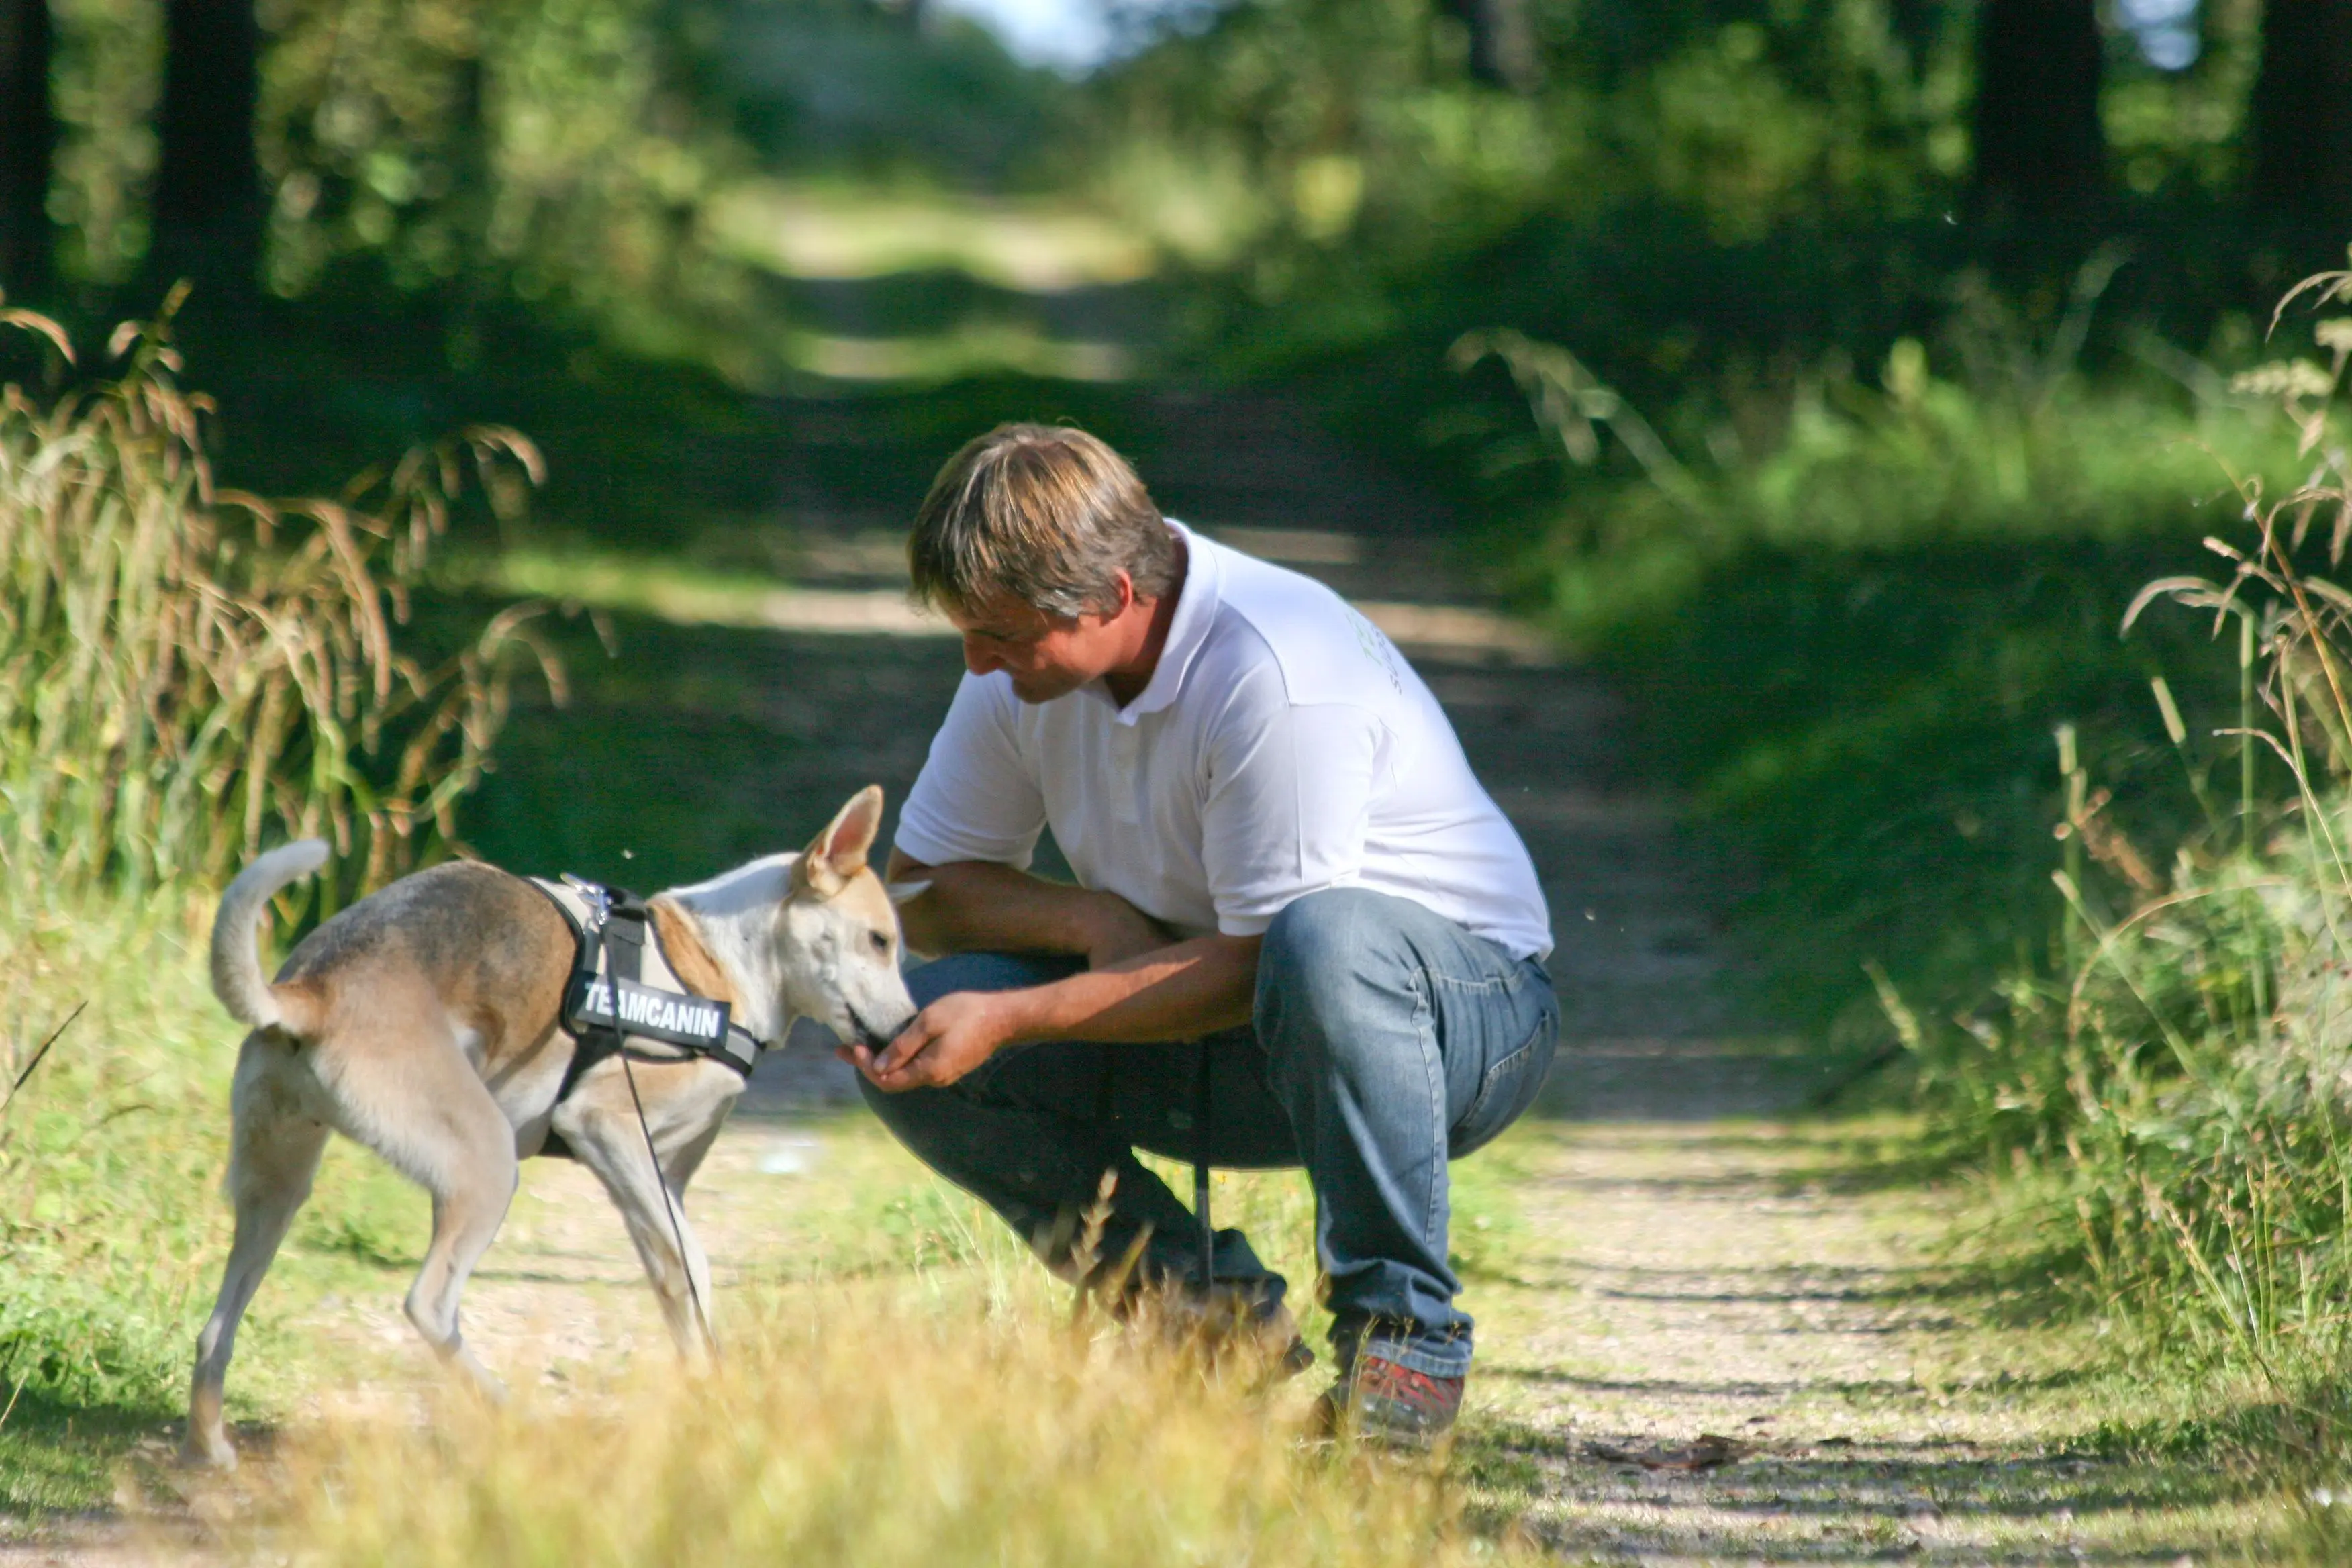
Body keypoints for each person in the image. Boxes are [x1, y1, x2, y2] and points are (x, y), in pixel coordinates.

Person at [843, 423, 1557, 1449]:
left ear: (1114, 600)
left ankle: (1402, 1360)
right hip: (1248, 1023)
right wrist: (1083, 916)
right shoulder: (1019, 668)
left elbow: (1273, 963)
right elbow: (918, 892)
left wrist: (1013, 1015)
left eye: (998, 635)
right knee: (907, 1039)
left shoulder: (1275, 667)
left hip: (1463, 1031)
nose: (976, 661)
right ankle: (1203, 1314)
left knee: (1327, 938)